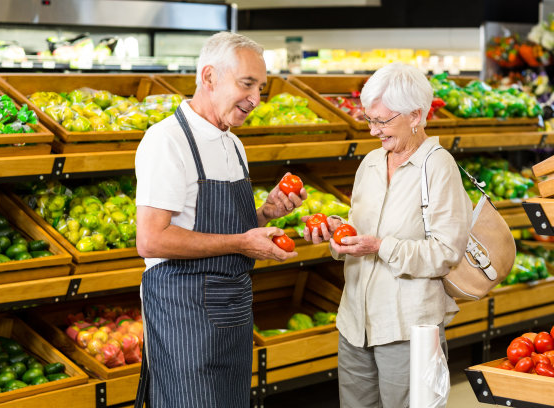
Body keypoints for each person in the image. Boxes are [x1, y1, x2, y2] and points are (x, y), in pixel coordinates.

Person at [134, 32, 306, 407]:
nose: (256, 99)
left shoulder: (233, 142)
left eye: (261, 87)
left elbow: (218, 226)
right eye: (247, 84)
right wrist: (242, 243)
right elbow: (151, 240)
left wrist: (264, 214)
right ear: (209, 77)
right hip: (184, 313)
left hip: (233, 311)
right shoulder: (167, 141)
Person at [304, 63, 473, 408]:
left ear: (415, 115)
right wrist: (338, 233)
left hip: (406, 326)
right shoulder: (369, 163)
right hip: (355, 322)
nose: (373, 130)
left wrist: (381, 247)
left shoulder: (438, 167)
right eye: (369, 119)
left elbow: (446, 252)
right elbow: (358, 228)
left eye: (382, 121)